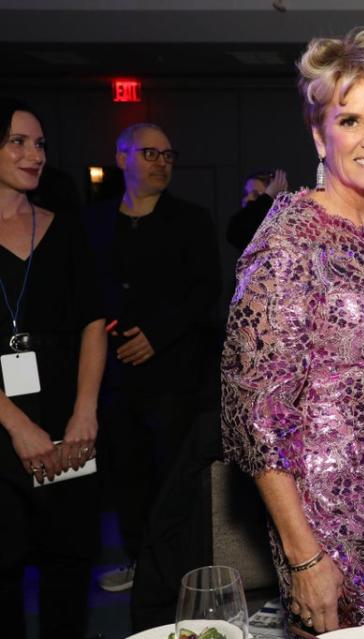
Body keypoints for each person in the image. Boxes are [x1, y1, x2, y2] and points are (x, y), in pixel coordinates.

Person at [221, 28, 364, 636]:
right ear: (318, 133)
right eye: (350, 120)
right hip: (324, 508)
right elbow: (255, 416)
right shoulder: (287, 241)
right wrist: (304, 554)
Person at [84, 122, 221, 593]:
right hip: (113, 375)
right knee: (127, 474)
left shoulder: (190, 219)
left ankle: (177, 572)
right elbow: (82, 290)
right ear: (122, 158)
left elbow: (206, 291)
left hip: (173, 375)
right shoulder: (93, 221)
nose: (162, 162)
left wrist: (157, 336)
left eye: (168, 155)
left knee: (173, 477)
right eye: (150, 153)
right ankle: (138, 561)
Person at [0, 98, 106, 638]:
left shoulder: (67, 228)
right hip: (1, 429)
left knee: (69, 571)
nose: (33, 153)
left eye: (39, 143)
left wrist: (85, 413)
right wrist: (17, 426)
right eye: (18, 141)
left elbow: (92, 321)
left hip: (67, 425)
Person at [225, 167, 289, 252]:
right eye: (245, 194)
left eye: (256, 195)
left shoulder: (284, 229)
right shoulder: (244, 227)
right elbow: (234, 232)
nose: (247, 199)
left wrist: (267, 196)